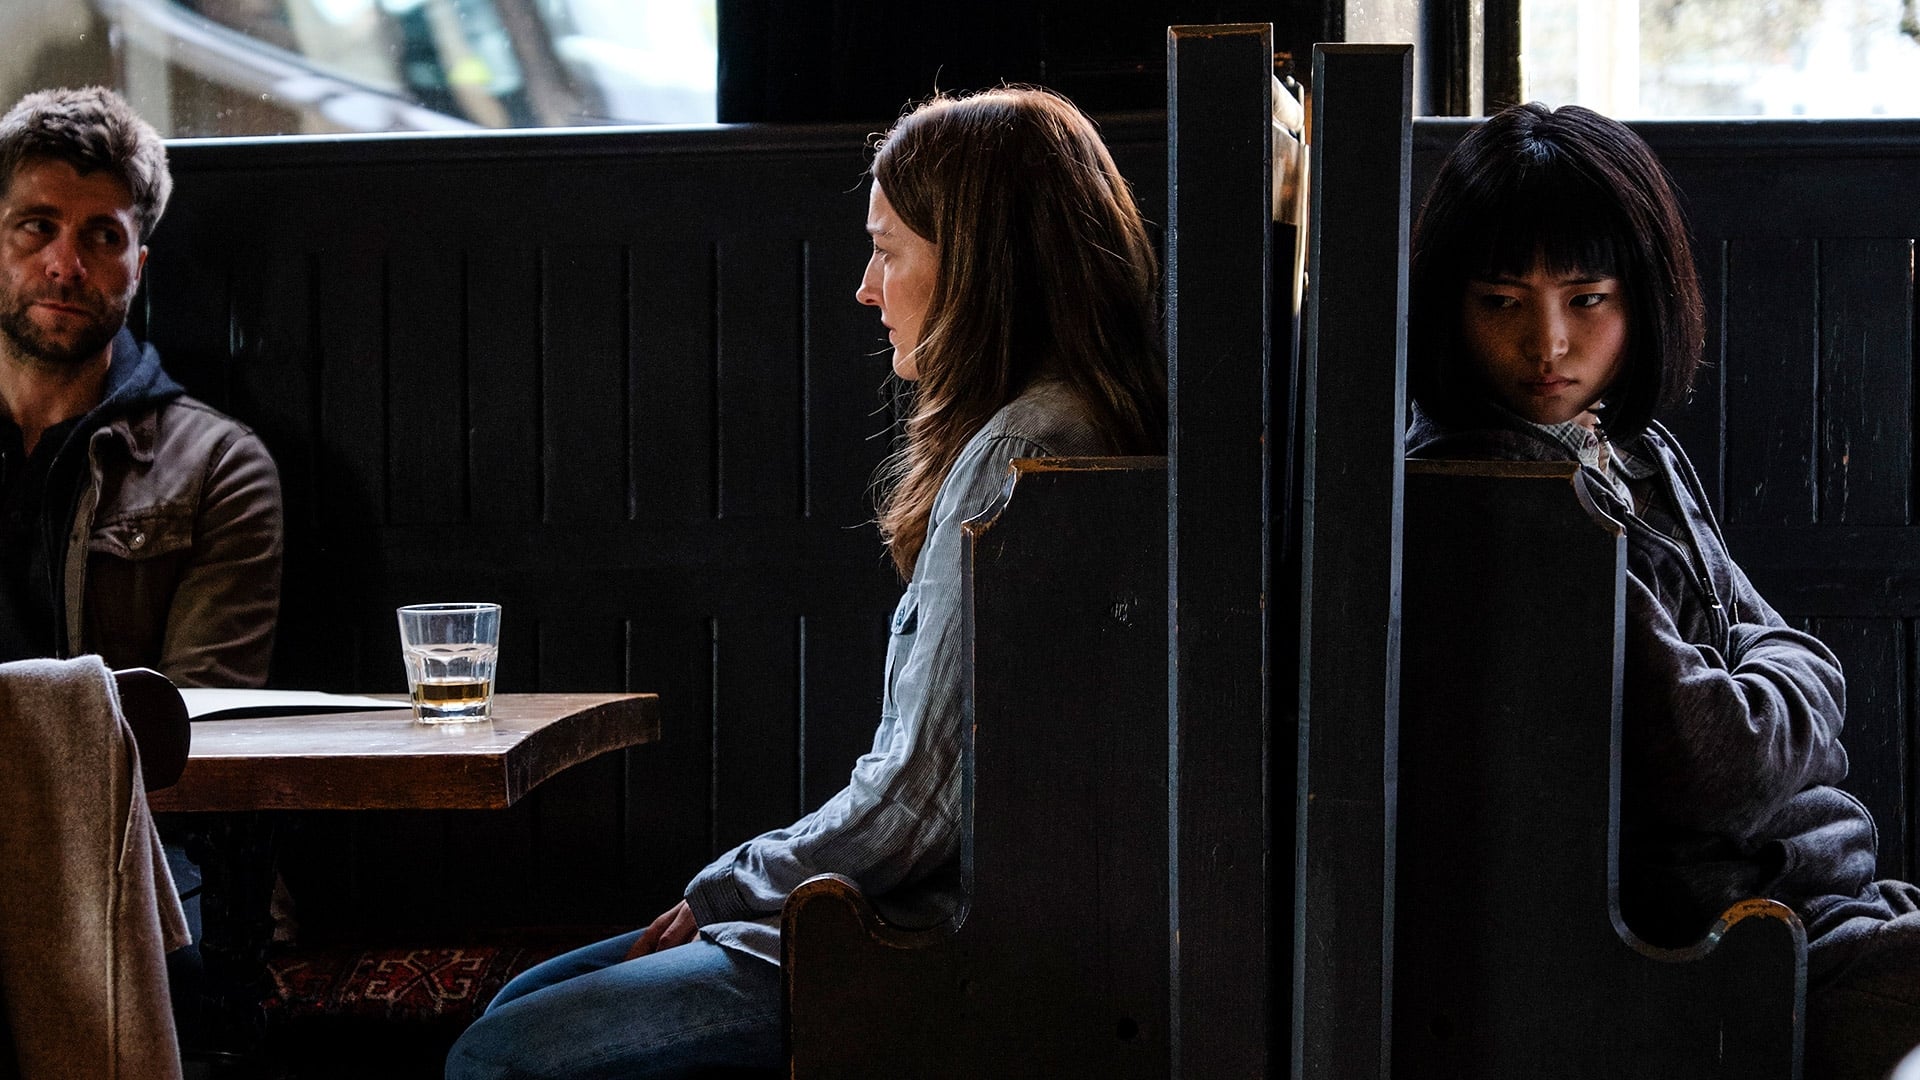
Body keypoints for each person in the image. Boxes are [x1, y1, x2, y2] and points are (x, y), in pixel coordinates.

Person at [444, 85, 1165, 1079]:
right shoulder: (1058, 422)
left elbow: (911, 804)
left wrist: (723, 890)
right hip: (936, 915)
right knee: (520, 1004)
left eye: (889, 252)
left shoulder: (1022, 453)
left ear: (979, 266)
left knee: (500, 1054)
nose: (867, 289)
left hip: (932, 946)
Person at [1405, 101, 1920, 1080]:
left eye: (1587, 299)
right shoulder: (1504, 494)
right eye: (1502, 302)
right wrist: (1783, 686)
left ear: (1642, 298)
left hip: (1821, 909)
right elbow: (1721, 760)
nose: (1548, 344)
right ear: (1449, 307)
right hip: (1731, 955)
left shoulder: (1630, 447)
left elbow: (1786, 653)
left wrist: (1777, 678)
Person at [0, 86, 283, 687]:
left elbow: (194, 721)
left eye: (103, 236)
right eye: (37, 226)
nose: (65, 264)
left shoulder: (216, 469)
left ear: (138, 269)